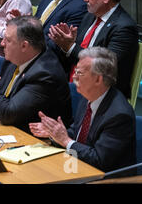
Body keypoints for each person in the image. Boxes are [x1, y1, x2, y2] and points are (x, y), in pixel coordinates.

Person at [29, 47, 136, 175]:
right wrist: (54, 133)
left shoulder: (119, 115)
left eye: (79, 73)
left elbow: (99, 160)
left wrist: (65, 140)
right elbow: (77, 133)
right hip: (77, 167)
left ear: (98, 79)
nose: (74, 77)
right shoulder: (88, 96)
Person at [0, 16, 72, 133]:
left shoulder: (44, 74)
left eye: (7, 40)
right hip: (9, 128)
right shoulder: (15, 58)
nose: (2, 43)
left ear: (24, 46)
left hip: (36, 141)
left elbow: (8, 113)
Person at [48, 0, 139, 100]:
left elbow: (103, 67)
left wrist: (70, 47)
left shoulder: (124, 28)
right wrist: (64, 43)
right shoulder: (90, 15)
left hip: (101, 96)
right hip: (73, 85)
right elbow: (74, 56)